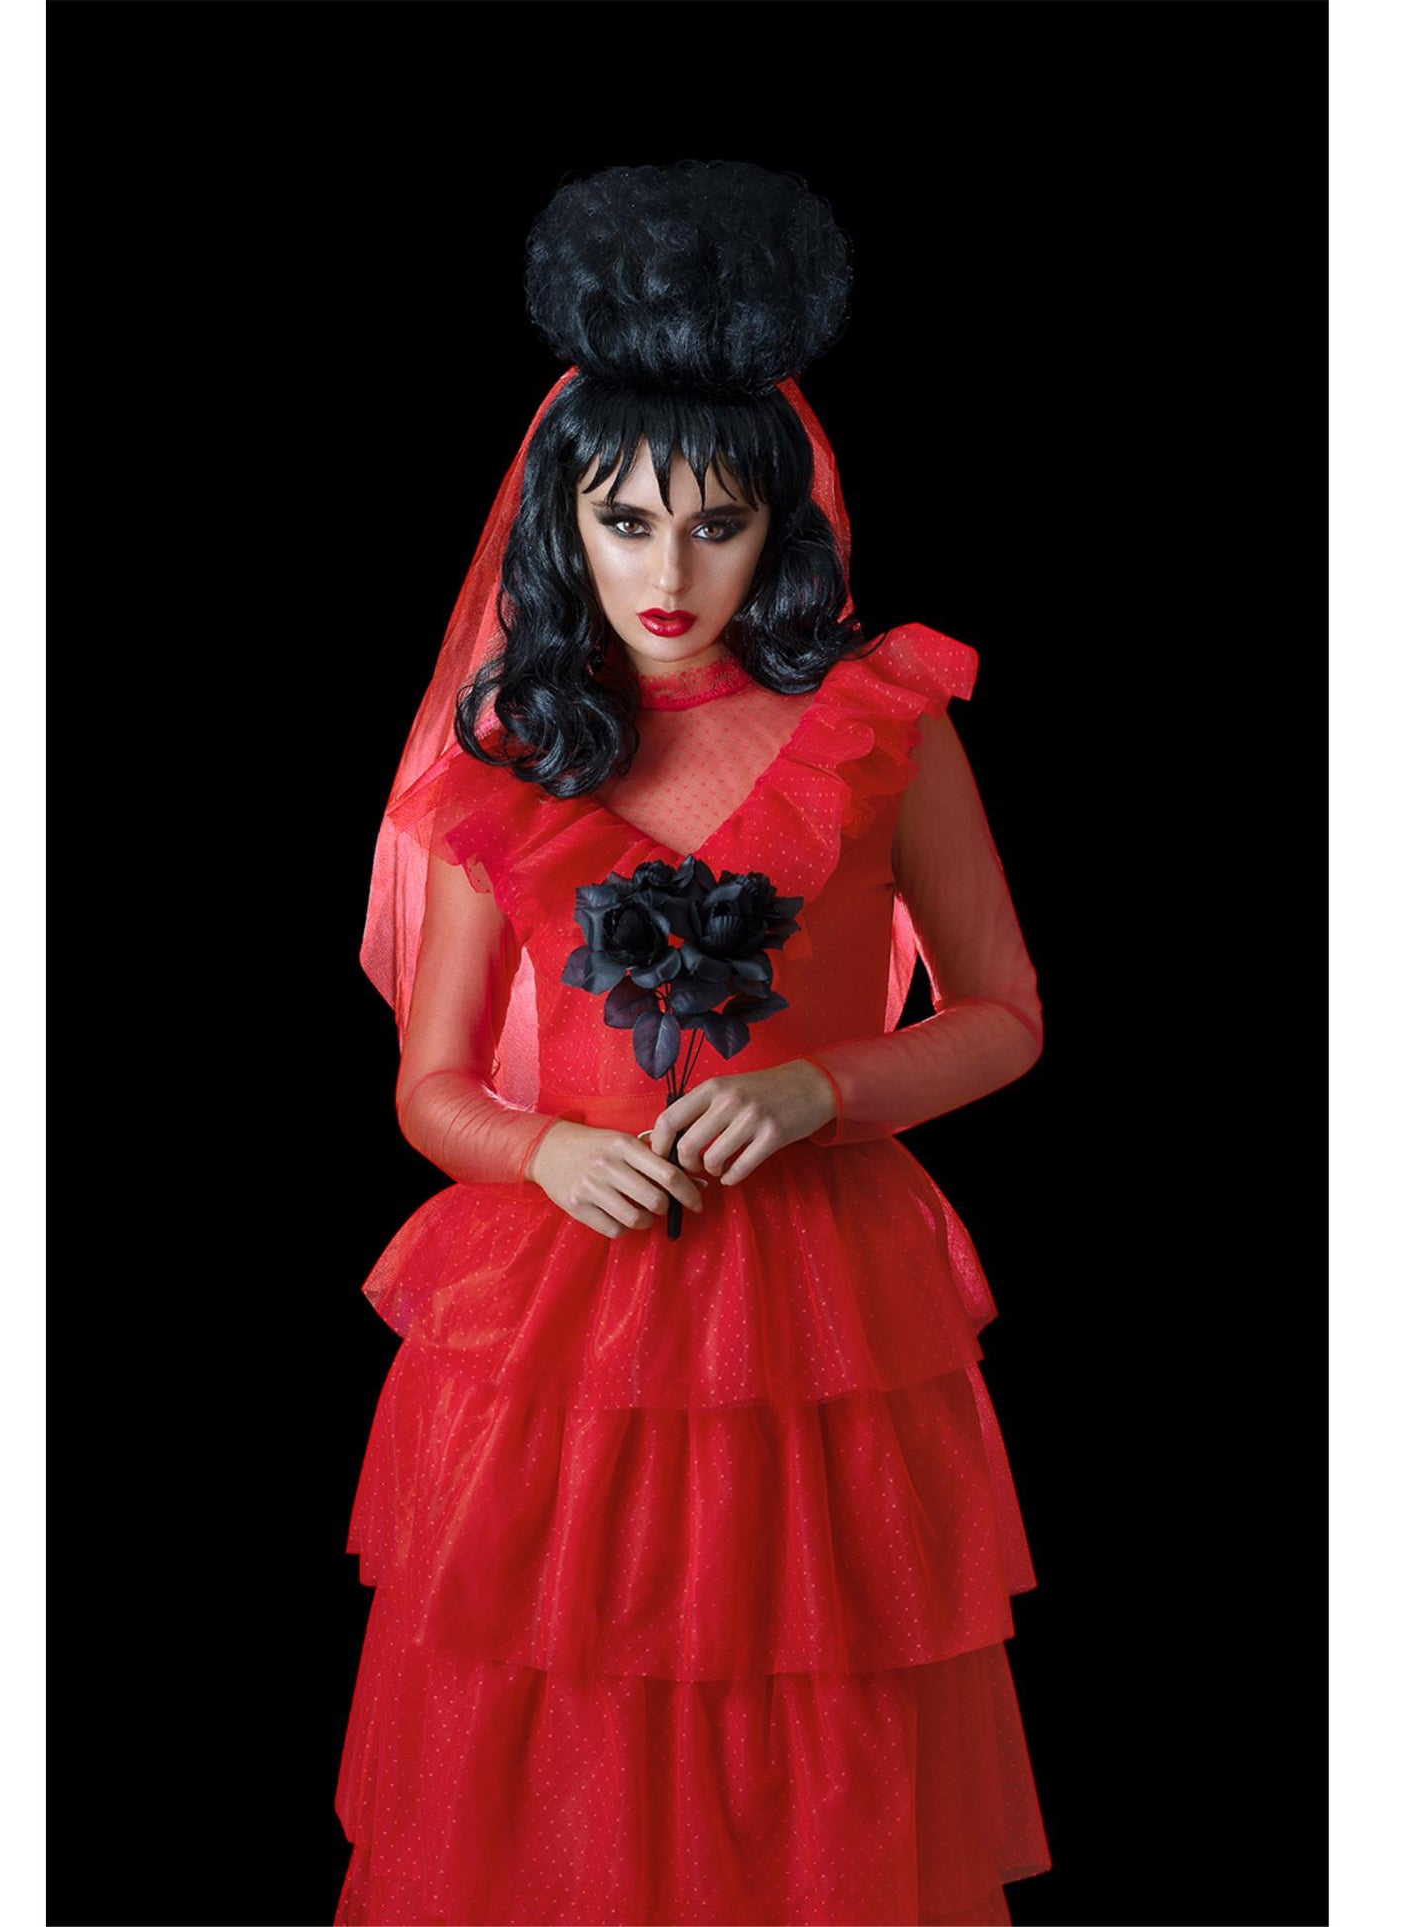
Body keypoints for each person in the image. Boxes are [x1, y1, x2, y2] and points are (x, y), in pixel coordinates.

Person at [335, 161, 1053, 1927]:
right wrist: (542, 1147)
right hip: (560, 1310)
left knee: (818, 1719)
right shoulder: (509, 756)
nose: (668, 570)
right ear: (563, 525)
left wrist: (825, 1086)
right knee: (548, 1721)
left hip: (819, 1305)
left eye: (715, 524)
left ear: (780, 525)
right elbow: (429, 1090)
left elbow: (1004, 1018)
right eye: (628, 522)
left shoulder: (883, 726)